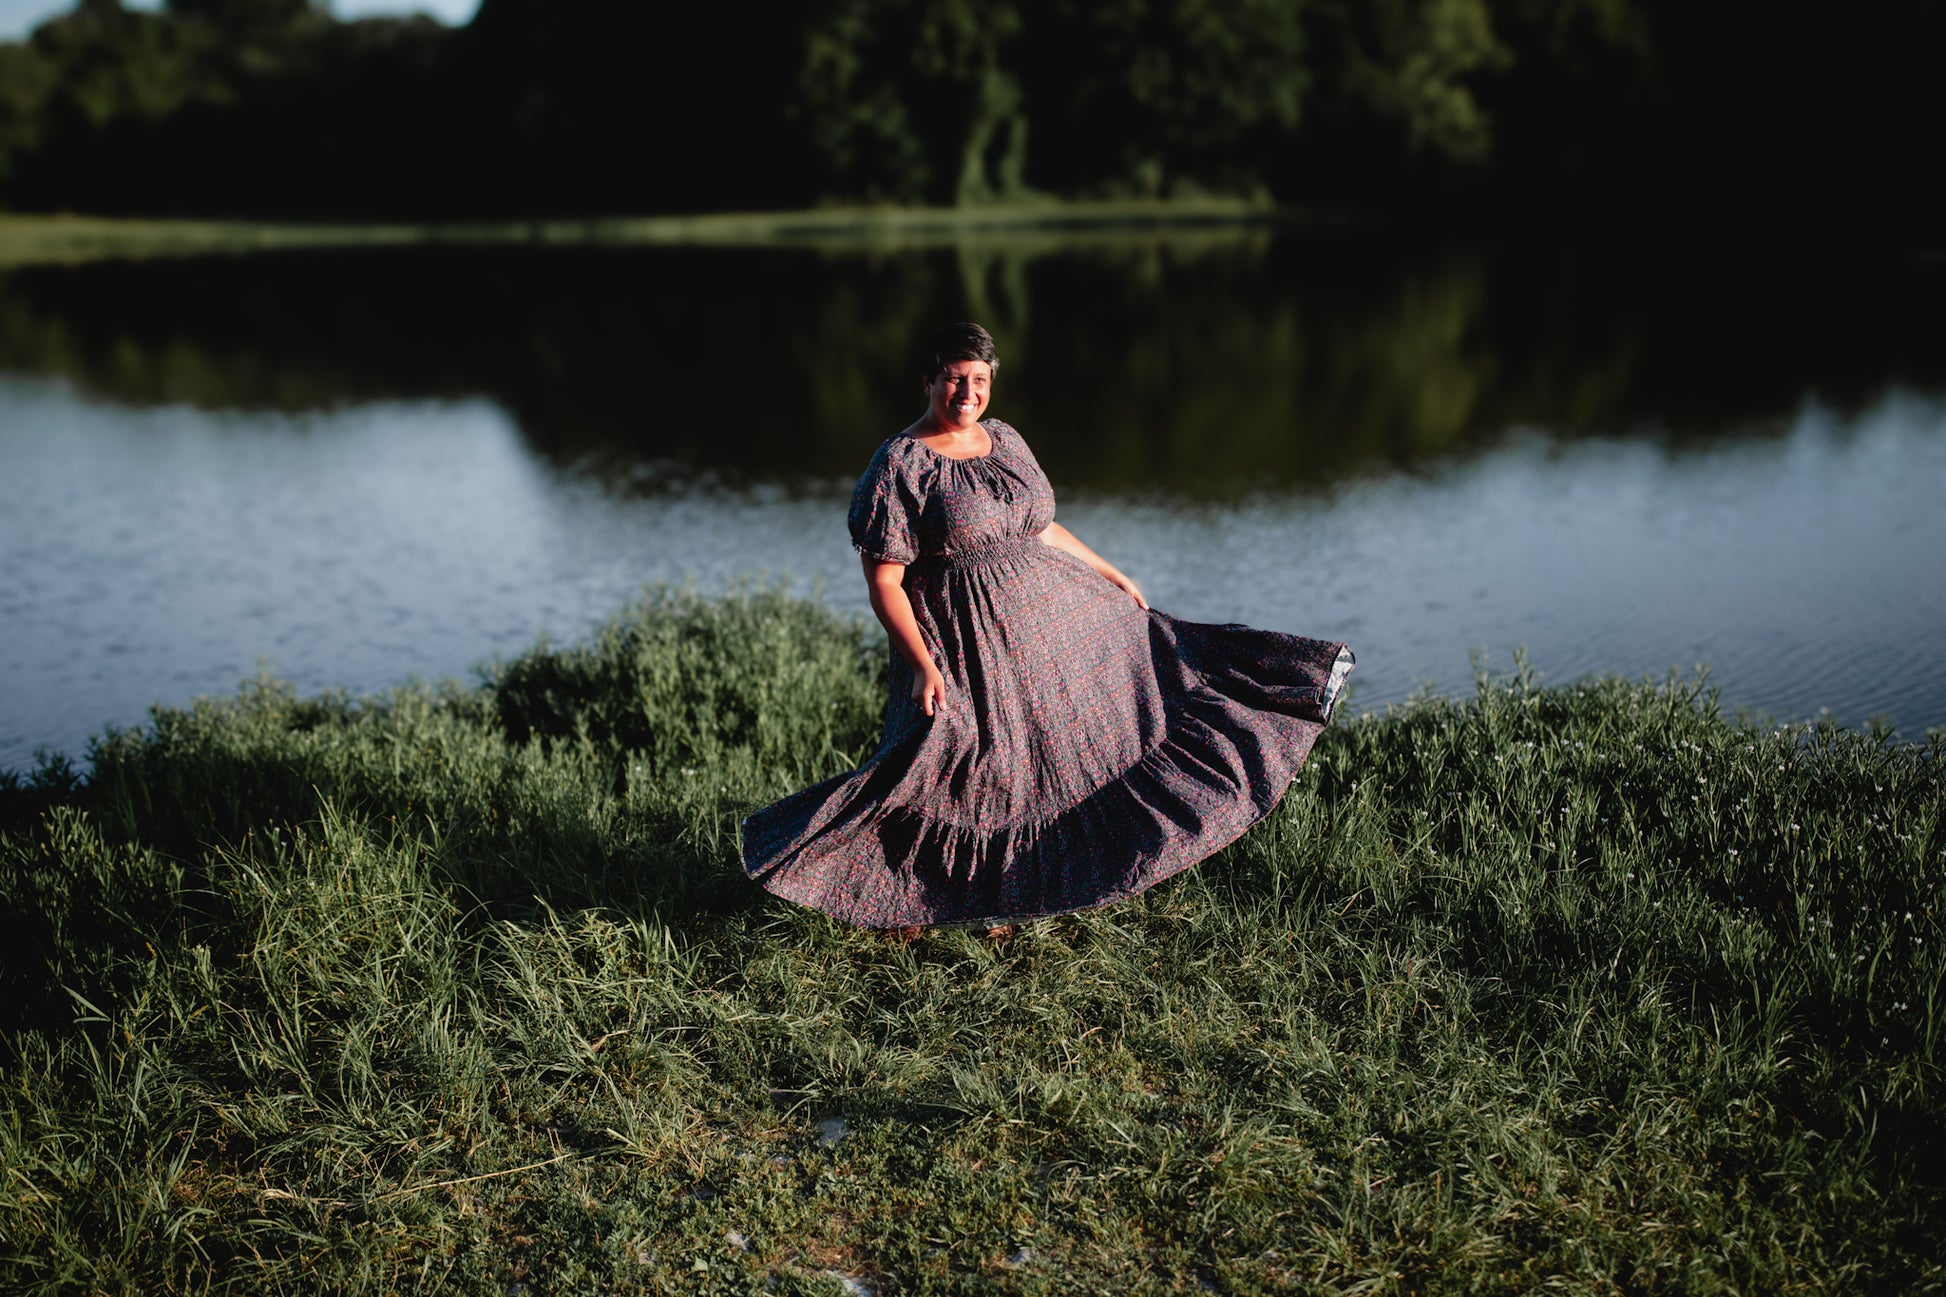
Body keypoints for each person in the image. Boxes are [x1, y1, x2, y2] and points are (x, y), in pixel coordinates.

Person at [741, 323, 1353, 932]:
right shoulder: (899, 465)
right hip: (963, 641)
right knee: (958, 763)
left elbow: (1042, 528)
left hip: (1052, 626)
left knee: (1056, 754)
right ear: (927, 380)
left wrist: (1112, 572)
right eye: (954, 378)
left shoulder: (1006, 439)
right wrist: (923, 664)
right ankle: (910, 897)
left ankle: (1022, 892)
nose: (968, 393)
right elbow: (885, 583)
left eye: (980, 379)